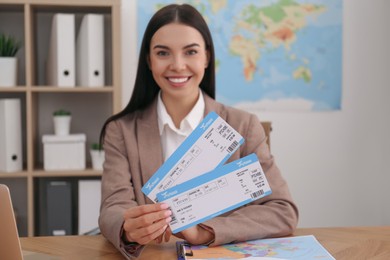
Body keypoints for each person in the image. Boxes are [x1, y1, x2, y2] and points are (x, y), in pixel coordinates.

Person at [98, 3, 299, 259]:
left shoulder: (243, 125)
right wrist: (127, 228)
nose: (178, 65)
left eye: (190, 52)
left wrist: (205, 231)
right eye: (163, 53)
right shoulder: (121, 130)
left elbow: (282, 210)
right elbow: (113, 208)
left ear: (206, 57)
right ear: (149, 60)